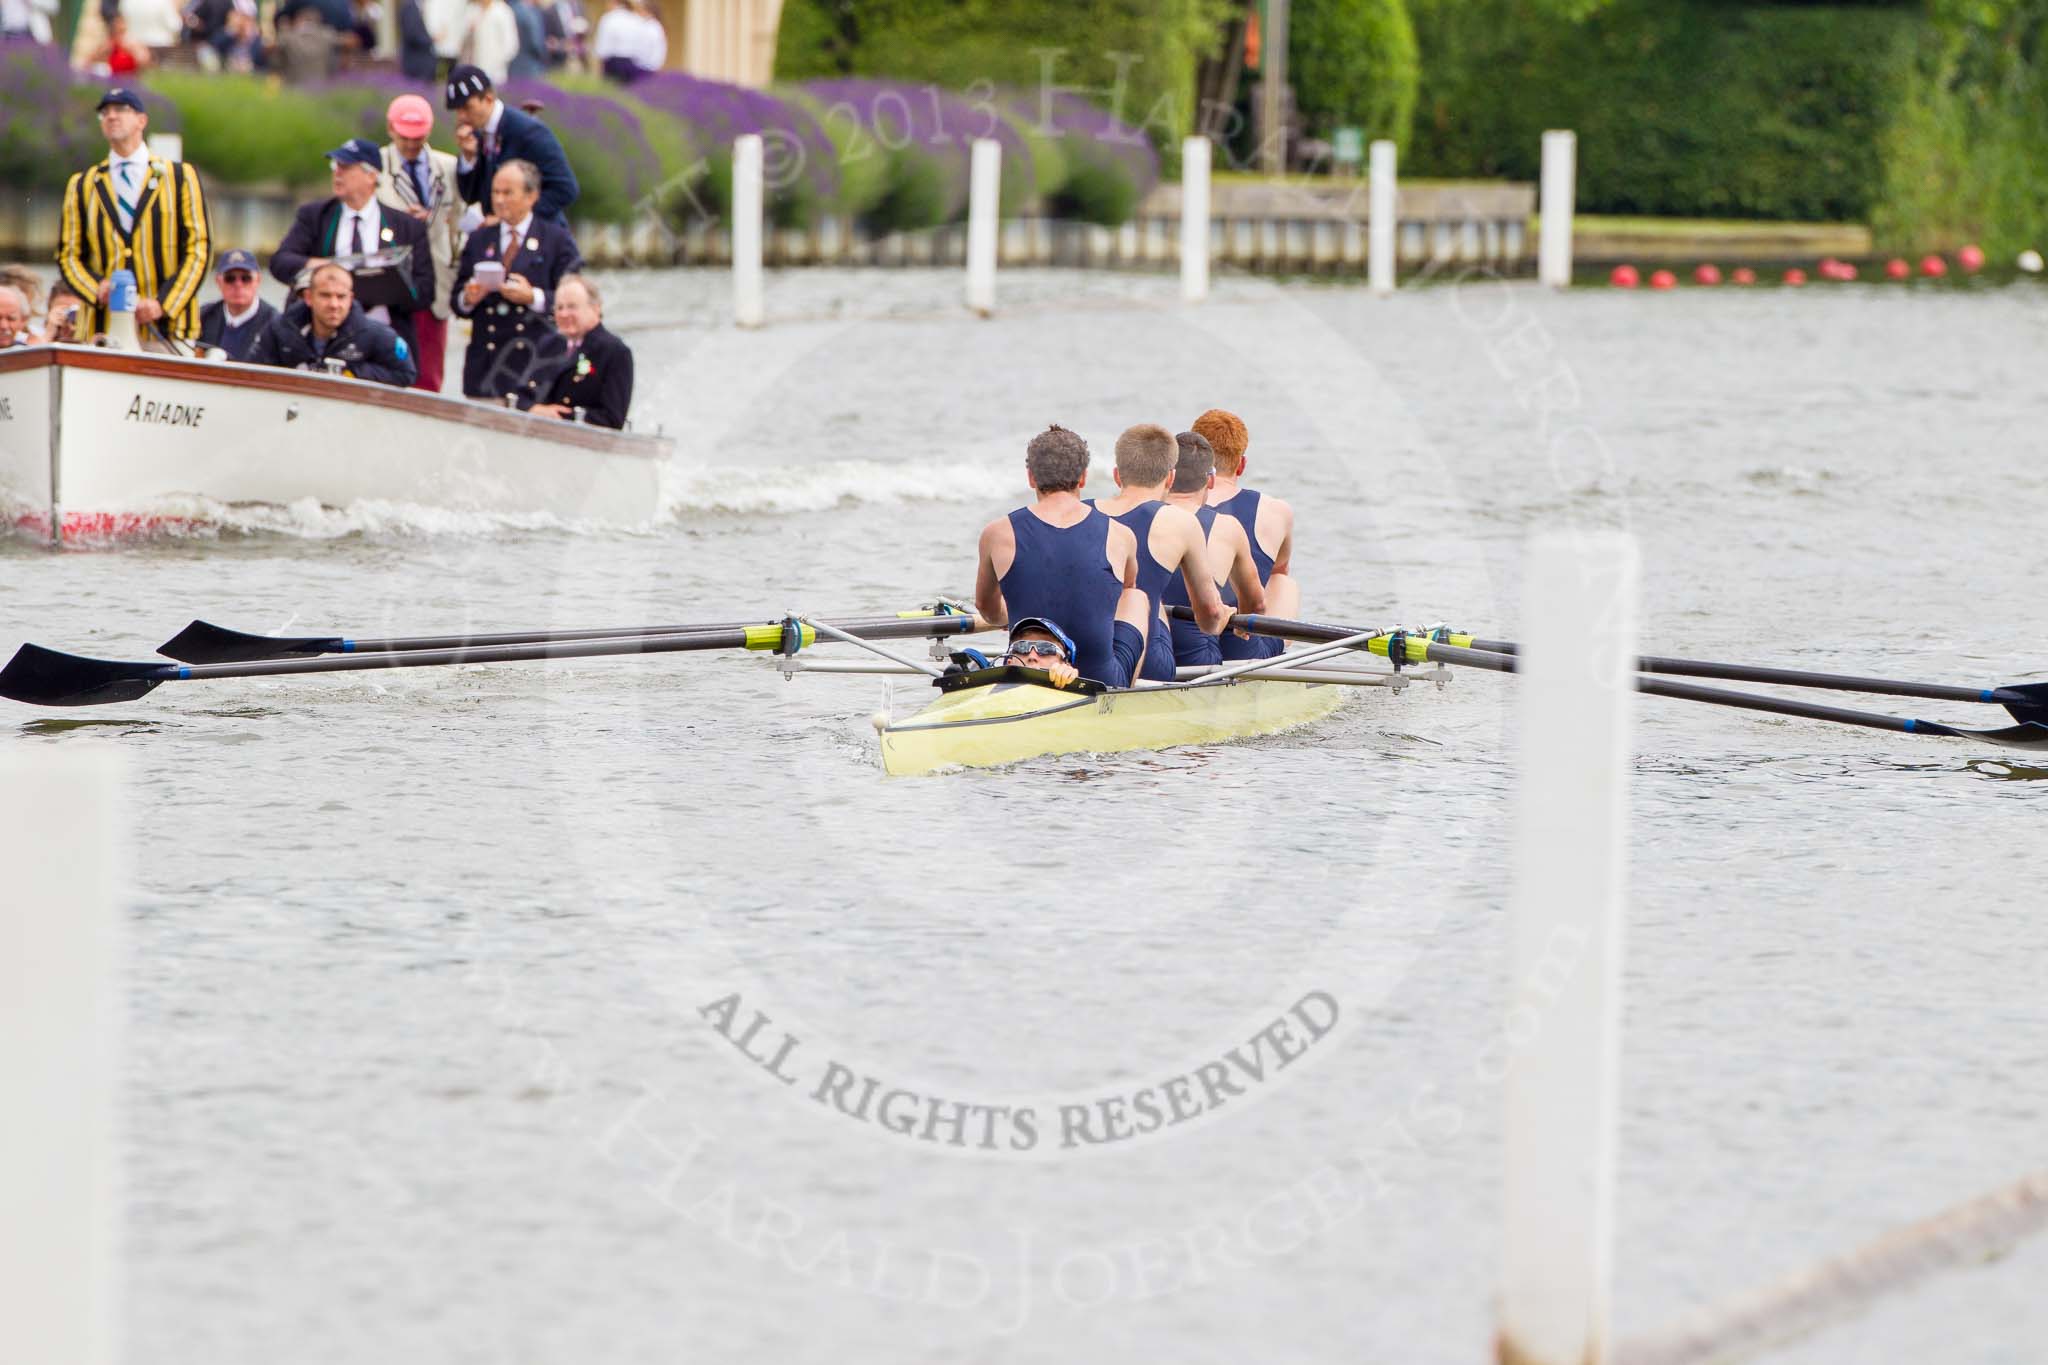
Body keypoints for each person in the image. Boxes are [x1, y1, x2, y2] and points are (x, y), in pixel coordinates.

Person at [973, 424, 1154, 689]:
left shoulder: (996, 533)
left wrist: (1016, 616)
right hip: (1097, 680)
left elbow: (987, 609)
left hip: (1028, 672)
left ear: (1031, 478)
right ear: (1083, 478)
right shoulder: (1120, 534)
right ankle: (1124, 692)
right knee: (1137, 596)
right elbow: (1124, 591)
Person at [57, 88, 212, 346]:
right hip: (103, 328)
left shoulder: (179, 177)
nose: (111, 116)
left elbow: (199, 248)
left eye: (121, 110)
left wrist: (164, 303)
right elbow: (68, 254)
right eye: (105, 112)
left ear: (142, 120)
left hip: (166, 330)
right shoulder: (83, 184)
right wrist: (96, 288)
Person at [1082, 422, 1231, 681]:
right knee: (1153, 600)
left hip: (1078, 657)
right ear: (1170, 478)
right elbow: (1208, 619)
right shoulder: (1181, 522)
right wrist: (1224, 616)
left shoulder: (1080, 512)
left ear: (1117, 475)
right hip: (1148, 665)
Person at [269, 138, 435, 363]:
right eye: (334, 167)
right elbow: (281, 262)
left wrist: (390, 286)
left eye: (345, 168)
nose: (337, 173)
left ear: (371, 176)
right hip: (320, 333)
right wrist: (327, 269)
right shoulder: (315, 216)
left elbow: (425, 292)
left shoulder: (406, 226)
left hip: (381, 331)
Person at [452, 159, 580, 402]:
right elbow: (455, 300)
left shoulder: (556, 240)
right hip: (485, 370)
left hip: (532, 368)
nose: (499, 200)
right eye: (495, 192)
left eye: (508, 193)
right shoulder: (479, 239)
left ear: (532, 196)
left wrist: (533, 297)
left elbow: (574, 300)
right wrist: (468, 298)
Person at [1194, 407, 1299, 660]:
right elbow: (1278, 572)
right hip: (1242, 646)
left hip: (1182, 639)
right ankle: (1273, 660)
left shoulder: (1170, 504)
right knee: (1284, 582)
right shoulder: (1276, 511)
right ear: (1241, 464)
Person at [377, 95, 465, 393]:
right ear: (390, 129)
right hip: (387, 285)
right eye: (405, 137)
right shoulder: (373, 168)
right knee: (386, 367)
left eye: (419, 137)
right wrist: (403, 223)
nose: (412, 144)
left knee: (429, 374)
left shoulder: (451, 167)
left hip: (437, 281)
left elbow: (463, 221)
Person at [1161, 430, 1267, 668]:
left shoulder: (1130, 518)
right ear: (1210, 480)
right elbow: (1257, 605)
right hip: (1196, 661)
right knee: (1286, 586)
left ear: (1167, 477)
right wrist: (1239, 626)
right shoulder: (1226, 527)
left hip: (1138, 650)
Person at [446, 62, 579, 226]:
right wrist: (469, 158)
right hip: (499, 241)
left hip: (540, 240)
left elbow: (565, 189)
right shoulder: (477, 134)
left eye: (467, 108)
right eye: (457, 111)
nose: (461, 117)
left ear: (488, 98)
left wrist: (512, 219)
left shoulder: (527, 132)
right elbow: (470, 196)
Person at [245, 262, 416, 386]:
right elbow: (252, 373)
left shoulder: (378, 335)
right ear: (308, 298)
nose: (334, 305)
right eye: (325, 295)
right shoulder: (280, 329)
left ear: (351, 299)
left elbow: (406, 374)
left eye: (341, 297)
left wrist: (352, 373)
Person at [521, 274, 631, 427]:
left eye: (572, 306)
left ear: (595, 308)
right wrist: (534, 409)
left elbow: (612, 418)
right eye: (559, 307)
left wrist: (559, 417)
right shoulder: (548, 345)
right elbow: (520, 394)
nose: (564, 314)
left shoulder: (614, 352)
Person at [196, 248, 278, 360]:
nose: (238, 284)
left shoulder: (275, 323)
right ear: (218, 281)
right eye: (230, 278)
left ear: (258, 280)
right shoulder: (202, 317)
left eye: (246, 278)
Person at [999, 617, 1083, 689]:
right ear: (1009, 663)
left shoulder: (1080, 699)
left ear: (1064, 664)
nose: (1032, 656)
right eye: (1022, 647)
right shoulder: (989, 693)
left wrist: (1071, 684)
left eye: (1045, 648)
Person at [452, 0, 516, 82]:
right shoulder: (472, 10)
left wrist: (497, 62)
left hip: (495, 72)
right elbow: (460, 37)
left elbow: (511, 44)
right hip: (472, 69)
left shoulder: (502, 11)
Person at [395, 0, 436, 77]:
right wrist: (431, 40)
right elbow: (412, 34)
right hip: (417, 65)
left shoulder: (416, 6)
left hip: (421, 64)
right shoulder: (410, 7)